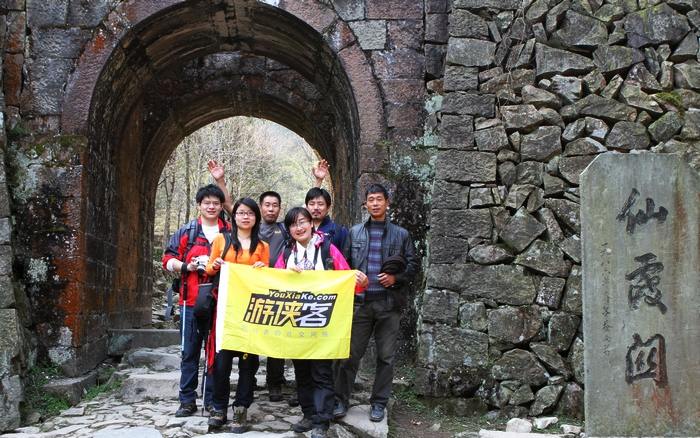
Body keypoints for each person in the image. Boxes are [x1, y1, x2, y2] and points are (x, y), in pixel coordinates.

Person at [273, 207, 367, 438]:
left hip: (323, 322)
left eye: (302, 222)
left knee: (322, 372)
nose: (299, 227)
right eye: (293, 224)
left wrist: (360, 281)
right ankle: (308, 414)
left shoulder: (327, 249)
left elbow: (346, 278)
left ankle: (322, 420)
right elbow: (273, 283)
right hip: (295, 322)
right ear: (289, 229)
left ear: (311, 224)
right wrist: (284, 272)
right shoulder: (287, 253)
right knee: (302, 372)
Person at [333, 183, 419, 422]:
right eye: (371, 199)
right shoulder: (354, 233)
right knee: (350, 356)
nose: (375, 203)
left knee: (386, 357)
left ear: (387, 203)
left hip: (388, 305)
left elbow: (413, 265)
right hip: (359, 304)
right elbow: (343, 264)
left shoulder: (401, 234)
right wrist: (352, 275)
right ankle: (341, 400)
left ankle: (379, 403)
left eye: (379, 199)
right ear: (366, 204)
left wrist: (395, 278)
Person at [162, 184, 231, 417]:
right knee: (189, 352)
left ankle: (211, 400)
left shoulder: (230, 232)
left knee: (215, 354)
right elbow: (168, 260)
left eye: (216, 203)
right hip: (190, 301)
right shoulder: (187, 232)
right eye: (207, 203)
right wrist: (186, 266)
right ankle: (187, 400)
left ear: (221, 206)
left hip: (220, 302)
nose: (211, 207)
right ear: (199, 205)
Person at [205, 198, 270, 433]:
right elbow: (209, 269)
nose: (245, 217)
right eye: (241, 213)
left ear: (256, 218)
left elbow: (266, 278)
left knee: (248, 364)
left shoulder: (262, 246)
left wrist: (263, 270)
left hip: (250, 312)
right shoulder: (221, 240)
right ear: (234, 216)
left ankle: (241, 408)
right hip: (225, 311)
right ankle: (219, 408)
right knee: (221, 363)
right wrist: (216, 264)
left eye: (250, 213)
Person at [305, 187, 348, 251]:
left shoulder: (340, 231)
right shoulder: (301, 230)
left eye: (320, 204)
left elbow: (345, 255)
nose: (316, 207)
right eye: (312, 204)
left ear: (328, 208)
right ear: (306, 207)